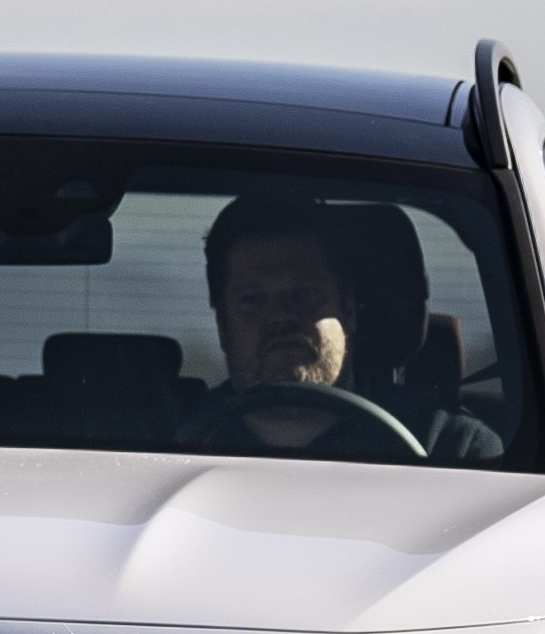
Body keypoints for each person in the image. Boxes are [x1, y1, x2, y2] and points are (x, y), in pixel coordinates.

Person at [187, 193, 503, 461]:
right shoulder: (165, 439)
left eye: (306, 294)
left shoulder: (448, 450)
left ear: (349, 311)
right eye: (254, 300)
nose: (281, 316)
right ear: (222, 326)